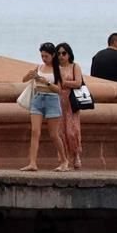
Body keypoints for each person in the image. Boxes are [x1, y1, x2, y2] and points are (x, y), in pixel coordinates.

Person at [20, 42, 69, 172]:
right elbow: (24, 80)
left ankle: (64, 160)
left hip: (52, 100)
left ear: (53, 55)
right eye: (42, 56)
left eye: (46, 56)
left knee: (54, 134)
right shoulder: (39, 67)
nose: (44, 58)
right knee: (35, 131)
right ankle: (32, 163)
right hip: (38, 99)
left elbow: (59, 89)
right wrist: (31, 75)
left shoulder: (58, 70)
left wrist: (46, 82)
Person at [54, 42, 85, 169]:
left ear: (69, 54)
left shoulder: (74, 66)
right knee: (60, 131)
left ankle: (76, 155)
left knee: (72, 131)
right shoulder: (55, 68)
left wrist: (64, 82)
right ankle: (64, 158)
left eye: (64, 53)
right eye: (59, 53)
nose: (61, 56)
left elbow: (78, 83)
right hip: (59, 101)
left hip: (72, 102)